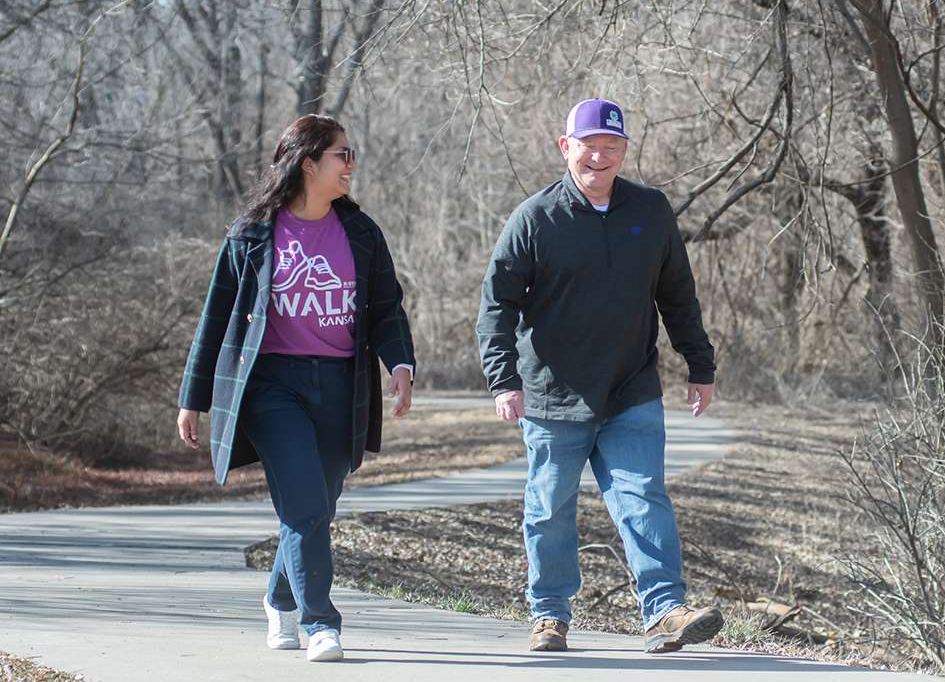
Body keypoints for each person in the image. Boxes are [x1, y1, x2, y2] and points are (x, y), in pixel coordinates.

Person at [476, 97, 723, 654]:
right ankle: (549, 615)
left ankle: (665, 611)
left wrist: (699, 363)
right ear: (567, 148)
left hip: (630, 386)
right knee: (550, 507)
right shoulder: (535, 218)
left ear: (624, 151)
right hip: (552, 393)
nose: (600, 158)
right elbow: (497, 306)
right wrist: (503, 379)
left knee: (643, 496)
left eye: (612, 148)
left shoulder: (651, 211)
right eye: (589, 147)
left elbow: (677, 294)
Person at [177, 114, 416, 663]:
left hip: (339, 385)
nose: (350, 164)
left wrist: (399, 364)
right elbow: (216, 319)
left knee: (317, 507)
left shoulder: (361, 231)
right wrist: (193, 396)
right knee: (305, 504)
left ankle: (278, 597)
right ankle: (321, 623)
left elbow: (386, 307)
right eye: (341, 154)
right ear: (309, 163)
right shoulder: (252, 233)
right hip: (272, 387)